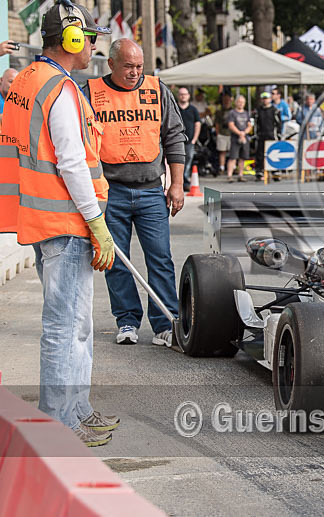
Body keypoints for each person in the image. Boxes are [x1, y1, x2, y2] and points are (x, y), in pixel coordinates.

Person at [1, 1, 117, 446]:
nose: (92, 46)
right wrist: (96, 221)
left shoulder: (29, 79)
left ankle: (77, 410)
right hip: (65, 222)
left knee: (78, 324)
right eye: (89, 38)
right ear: (71, 40)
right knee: (64, 327)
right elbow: (71, 161)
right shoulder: (60, 88)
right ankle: (58, 423)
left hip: (46, 219)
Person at [84, 38, 185, 348]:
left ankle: (166, 321)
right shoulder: (91, 93)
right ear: (111, 64)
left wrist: (177, 184)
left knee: (161, 259)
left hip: (151, 190)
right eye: (128, 66)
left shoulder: (157, 90)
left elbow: (174, 137)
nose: (134, 72)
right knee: (115, 260)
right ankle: (127, 320)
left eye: (139, 66)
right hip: (110, 192)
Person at [176, 87, 200, 190]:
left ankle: (185, 180)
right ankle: (178, 181)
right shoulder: (174, 108)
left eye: (185, 94)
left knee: (188, 160)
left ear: (189, 96)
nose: (183, 96)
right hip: (176, 140)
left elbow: (197, 124)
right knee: (177, 160)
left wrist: (195, 139)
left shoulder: (193, 109)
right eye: (181, 94)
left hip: (190, 140)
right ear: (178, 95)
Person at [254, 91, 281, 180]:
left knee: (273, 153)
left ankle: (275, 172)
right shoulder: (258, 110)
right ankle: (259, 171)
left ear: (270, 99)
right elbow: (255, 123)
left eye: (267, 98)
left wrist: (279, 135)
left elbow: (278, 124)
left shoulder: (275, 110)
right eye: (264, 99)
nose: (265, 100)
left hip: (271, 135)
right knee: (260, 153)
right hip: (261, 135)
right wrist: (255, 134)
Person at [226, 94, 252, 183]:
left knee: (243, 157)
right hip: (235, 138)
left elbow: (249, 125)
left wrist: (244, 133)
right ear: (236, 103)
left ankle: (241, 175)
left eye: (242, 102)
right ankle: (229, 175)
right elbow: (231, 125)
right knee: (233, 157)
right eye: (239, 102)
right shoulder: (232, 113)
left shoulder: (246, 113)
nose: (241, 104)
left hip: (245, 137)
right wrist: (239, 133)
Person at [213, 93, 232, 174]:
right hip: (222, 133)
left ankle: (232, 167)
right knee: (222, 152)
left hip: (232, 134)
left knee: (232, 152)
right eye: (225, 100)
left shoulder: (233, 111)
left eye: (228, 100)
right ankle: (222, 167)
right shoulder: (219, 112)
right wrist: (218, 134)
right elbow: (216, 123)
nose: (226, 102)